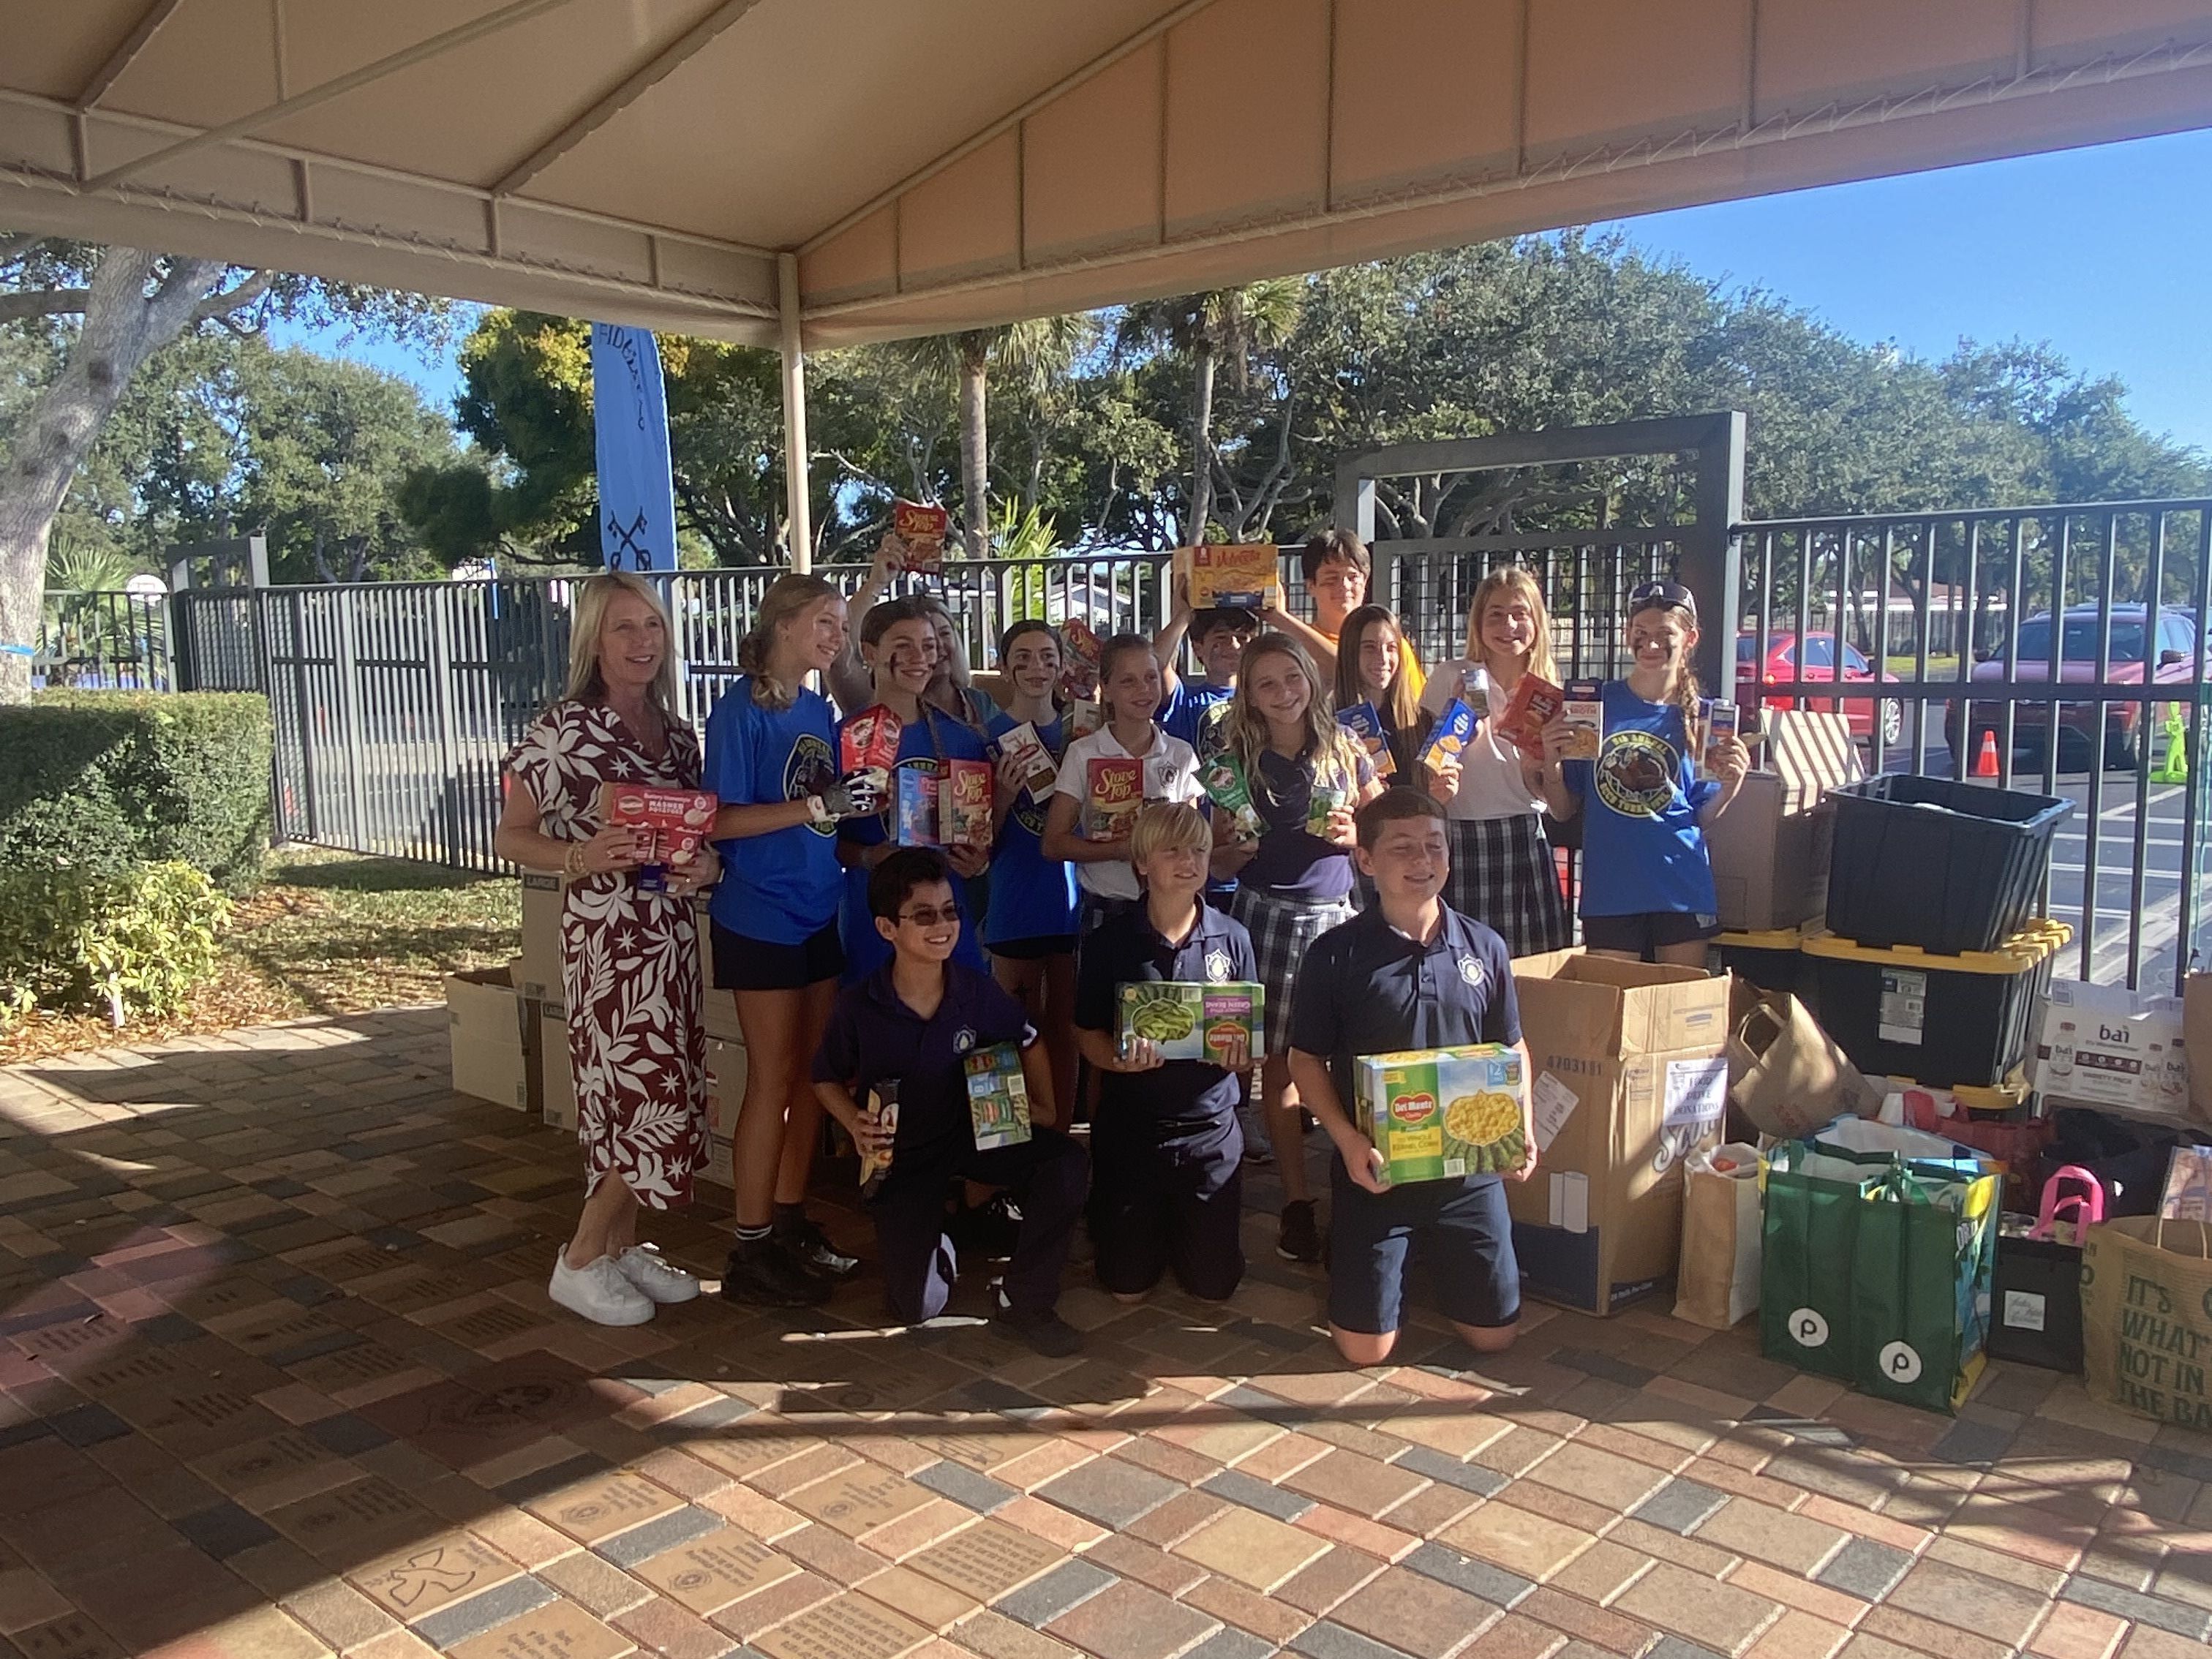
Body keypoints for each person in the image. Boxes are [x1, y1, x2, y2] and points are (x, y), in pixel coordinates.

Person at [497, 572, 718, 1327]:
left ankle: (622, 1246)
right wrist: (580, 857)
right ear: (594, 639)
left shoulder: (678, 734)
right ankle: (583, 1256)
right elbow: (511, 834)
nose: (643, 642)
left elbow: (698, 835)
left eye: (652, 626)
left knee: (670, 1087)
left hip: (672, 938)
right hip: (610, 945)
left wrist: (708, 867)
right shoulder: (565, 730)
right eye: (625, 628)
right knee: (640, 1097)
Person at [1287, 788, 1536, 1365]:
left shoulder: (1486, 946)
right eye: (1402, 849)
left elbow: (1512, 1047)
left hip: (1468, 1173)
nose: (1422, 861)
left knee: (1494, 1339)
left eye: (1434, 845)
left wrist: (1520, 1128)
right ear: (1367, 861)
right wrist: (1347, 1143)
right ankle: (1359, 1246)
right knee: (1364, 1352)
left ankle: (1435, 1258)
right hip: (1376, 1174)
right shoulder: (1334, 955)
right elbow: (1305, 1060)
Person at [812, 849, 1089, 1356]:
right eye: (924, 915)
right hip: (903, 1159)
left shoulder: (975, 990)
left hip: (972, 1135)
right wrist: (853, 1121)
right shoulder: (858, 1005)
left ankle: (1025, 1300)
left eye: (950, 911)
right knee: (916, 1307)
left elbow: (1029, 1039)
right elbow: (824, 1078)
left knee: (1067, 1163)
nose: (942, 925)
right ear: (886, 928)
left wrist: (1047, 1112)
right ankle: (943, 1234)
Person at [702, 573, 881, 1307]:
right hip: (761, 914)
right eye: (826, 622)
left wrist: (854, 809)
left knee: (814, 1079)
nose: (837, 637)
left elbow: (828, 816)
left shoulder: (818, 709)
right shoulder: (738, 711)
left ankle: (789, 1221)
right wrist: (816, 802)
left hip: (819, 906)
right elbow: (719, 820)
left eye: (842, 625)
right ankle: (749, 1249)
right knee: (772, 1079)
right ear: (784, 624)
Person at [1208, 632, 1381, 1264]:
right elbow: (1216, 854)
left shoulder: (1347, 748)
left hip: (1339, 919)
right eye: (1266, 684)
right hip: (1265, 918)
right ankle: (1297, 1201)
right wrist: (1233, 852)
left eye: (1292, 678)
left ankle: (1359, 1187)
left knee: (1350, 1063)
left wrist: (1356, 831)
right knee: (1277, 1068)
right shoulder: (1234, 763)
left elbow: (1381, 832)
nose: (1284, 693)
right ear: (1249, 697)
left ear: (1312, 678)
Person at [1073, 803, 1255, 1303]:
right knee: (1126, 1287)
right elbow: (1087, 1031)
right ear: (1141, 863)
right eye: (1171, 849)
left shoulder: (1234, 938)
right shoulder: (1110, 942)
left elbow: (1248, 1034)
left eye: (1198, 848)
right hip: (1132, 1132)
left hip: (1210, 1133)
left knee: (1213, 1288)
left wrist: (1243, 1059)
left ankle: (1187, 1226)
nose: (1188, 860)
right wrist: (1115, 1060)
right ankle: (1120, 1221)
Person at [1556, 579, 1750, 966]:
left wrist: (1732, 785)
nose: (1652, 643)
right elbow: (1565, 806)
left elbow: (1701, 817)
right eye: (1641, 633)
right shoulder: (1593, 704)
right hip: (1612, 891)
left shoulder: (1707, 719)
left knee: (1677, 1015)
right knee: (1613, 1014)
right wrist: (1545, 761)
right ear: (1628, 634)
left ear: (1690, 638)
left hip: (1681, 887)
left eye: (1666, 634)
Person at [1418, 568, 1576, 957]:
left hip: (1524, 839)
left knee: (1529, 971)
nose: (1508, 625)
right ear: (1478, 622)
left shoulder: (1552, 693)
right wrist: (1454, 723)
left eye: (1520, 614)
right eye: (1496, 614)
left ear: (1537, 622)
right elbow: (1420, 771)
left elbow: (1560, 808)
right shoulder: (1450, 676)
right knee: (1459, 966)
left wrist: (1543, 767)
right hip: (1458, 836)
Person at [836, 597, 993, 984]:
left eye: (927, 646)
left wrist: (978, 861)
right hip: (874, 920)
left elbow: (980, 839)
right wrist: (869, 855)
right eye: (902, 645)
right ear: (870, 653)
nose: (918, 657)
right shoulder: (845, 737)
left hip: (945, 925)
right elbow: (822, 837)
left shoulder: (963, 739)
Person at [1042, 633, 1205, 936]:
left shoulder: (1181, 754)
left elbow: (1191, 840)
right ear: (1107, 688)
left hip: (1169, 908)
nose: (1144, 690)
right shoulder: (1083, 753)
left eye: (1150, 678)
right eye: (1128, 681)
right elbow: (1053, 844)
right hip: (1106, 907)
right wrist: (1120, 849)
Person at [984, 620, 1081, 1122]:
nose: (1036, 668)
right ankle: (1006, 1141)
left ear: (1063, 665)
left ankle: (1059, 1139)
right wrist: (1002, 796)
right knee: (1010, 1031)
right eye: (1022, 657)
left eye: (1047, 656)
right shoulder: (989, 738)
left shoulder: (1081, 732)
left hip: (1070, 906)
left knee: (1064, 1031)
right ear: (1004, 666)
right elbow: (978, 845)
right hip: (1013, 902)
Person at [828, 535, 997, 723]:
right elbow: (839, 651)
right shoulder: (878, 702)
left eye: (943, 634)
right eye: (907, 644)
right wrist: (875, 584)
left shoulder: (979, 703)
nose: (935, 647)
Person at [1270, 527, 1426, 696]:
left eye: (1353, 577)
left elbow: (1417, 703)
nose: (1344, 586)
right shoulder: (1294, 648)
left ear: (1365, 582)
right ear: (1311, 586)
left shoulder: (1392, 646)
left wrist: (1282, 618)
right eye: (1331, 579)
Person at [1153, 569, 1259, 756]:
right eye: (1221, 638)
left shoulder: (1263, 696)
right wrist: (1183, 616)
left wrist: (1277, 616)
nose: (1234, 645)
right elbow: (1155, 664)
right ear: (1198, 648)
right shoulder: (1184, 700)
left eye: (1242, 638)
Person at [1333, 603, 1432, 778]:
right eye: (1370, 647)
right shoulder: (1327, 721)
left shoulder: (1421, 723)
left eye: (1391, 648)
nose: (1383, 658)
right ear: (1350, 653)